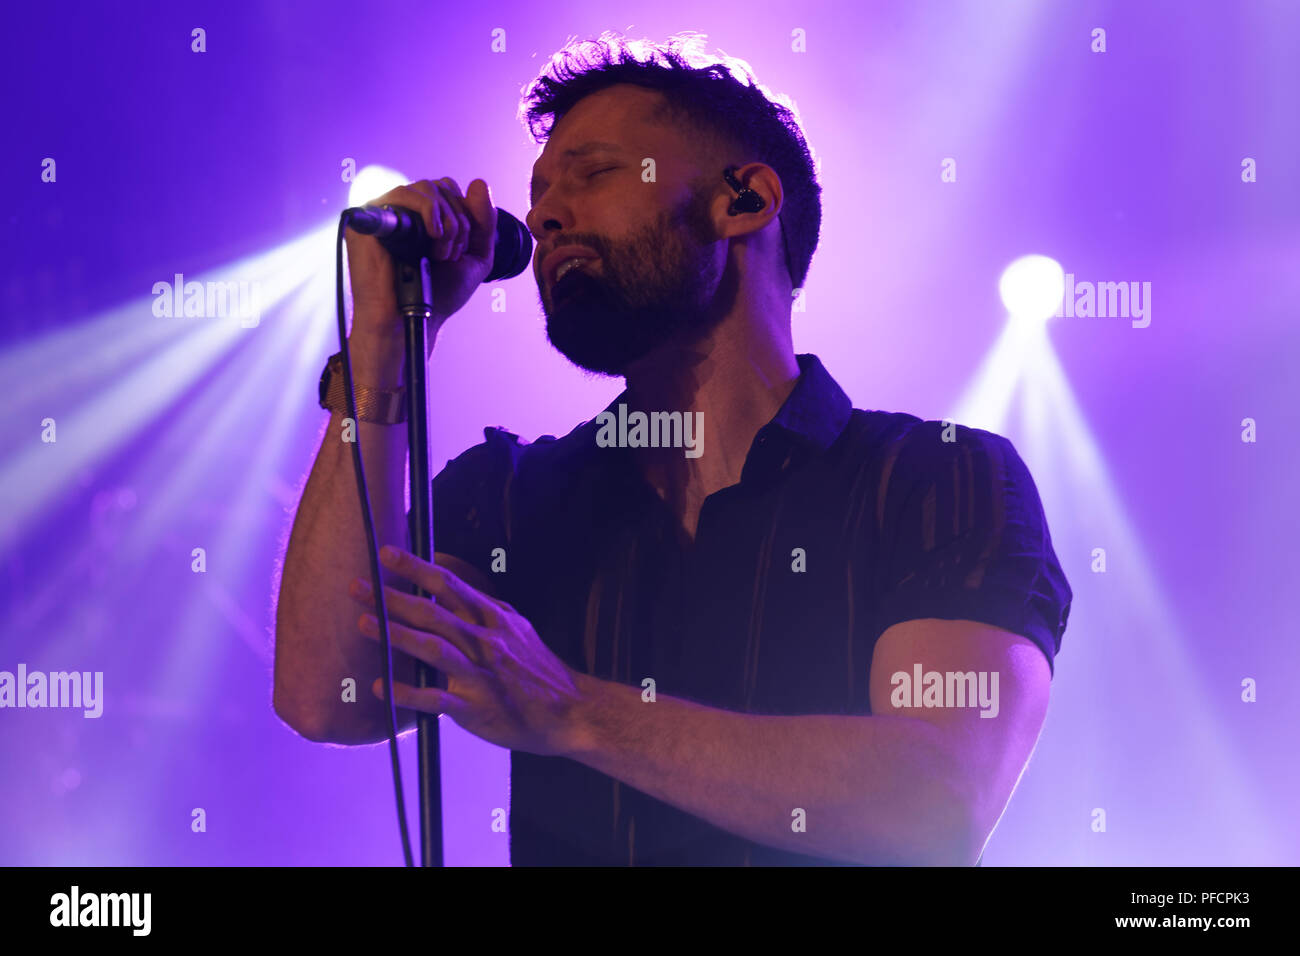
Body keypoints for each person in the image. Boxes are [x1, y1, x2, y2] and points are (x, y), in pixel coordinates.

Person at [273, 33, 1072, 866]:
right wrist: (381, 350)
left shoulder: (936, 479)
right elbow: (329, 694)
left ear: (745, 201)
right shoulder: (514, 494)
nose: (544, 215)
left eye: (594, 173)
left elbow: (933, 805)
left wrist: (573, 711)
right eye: (539, 192)